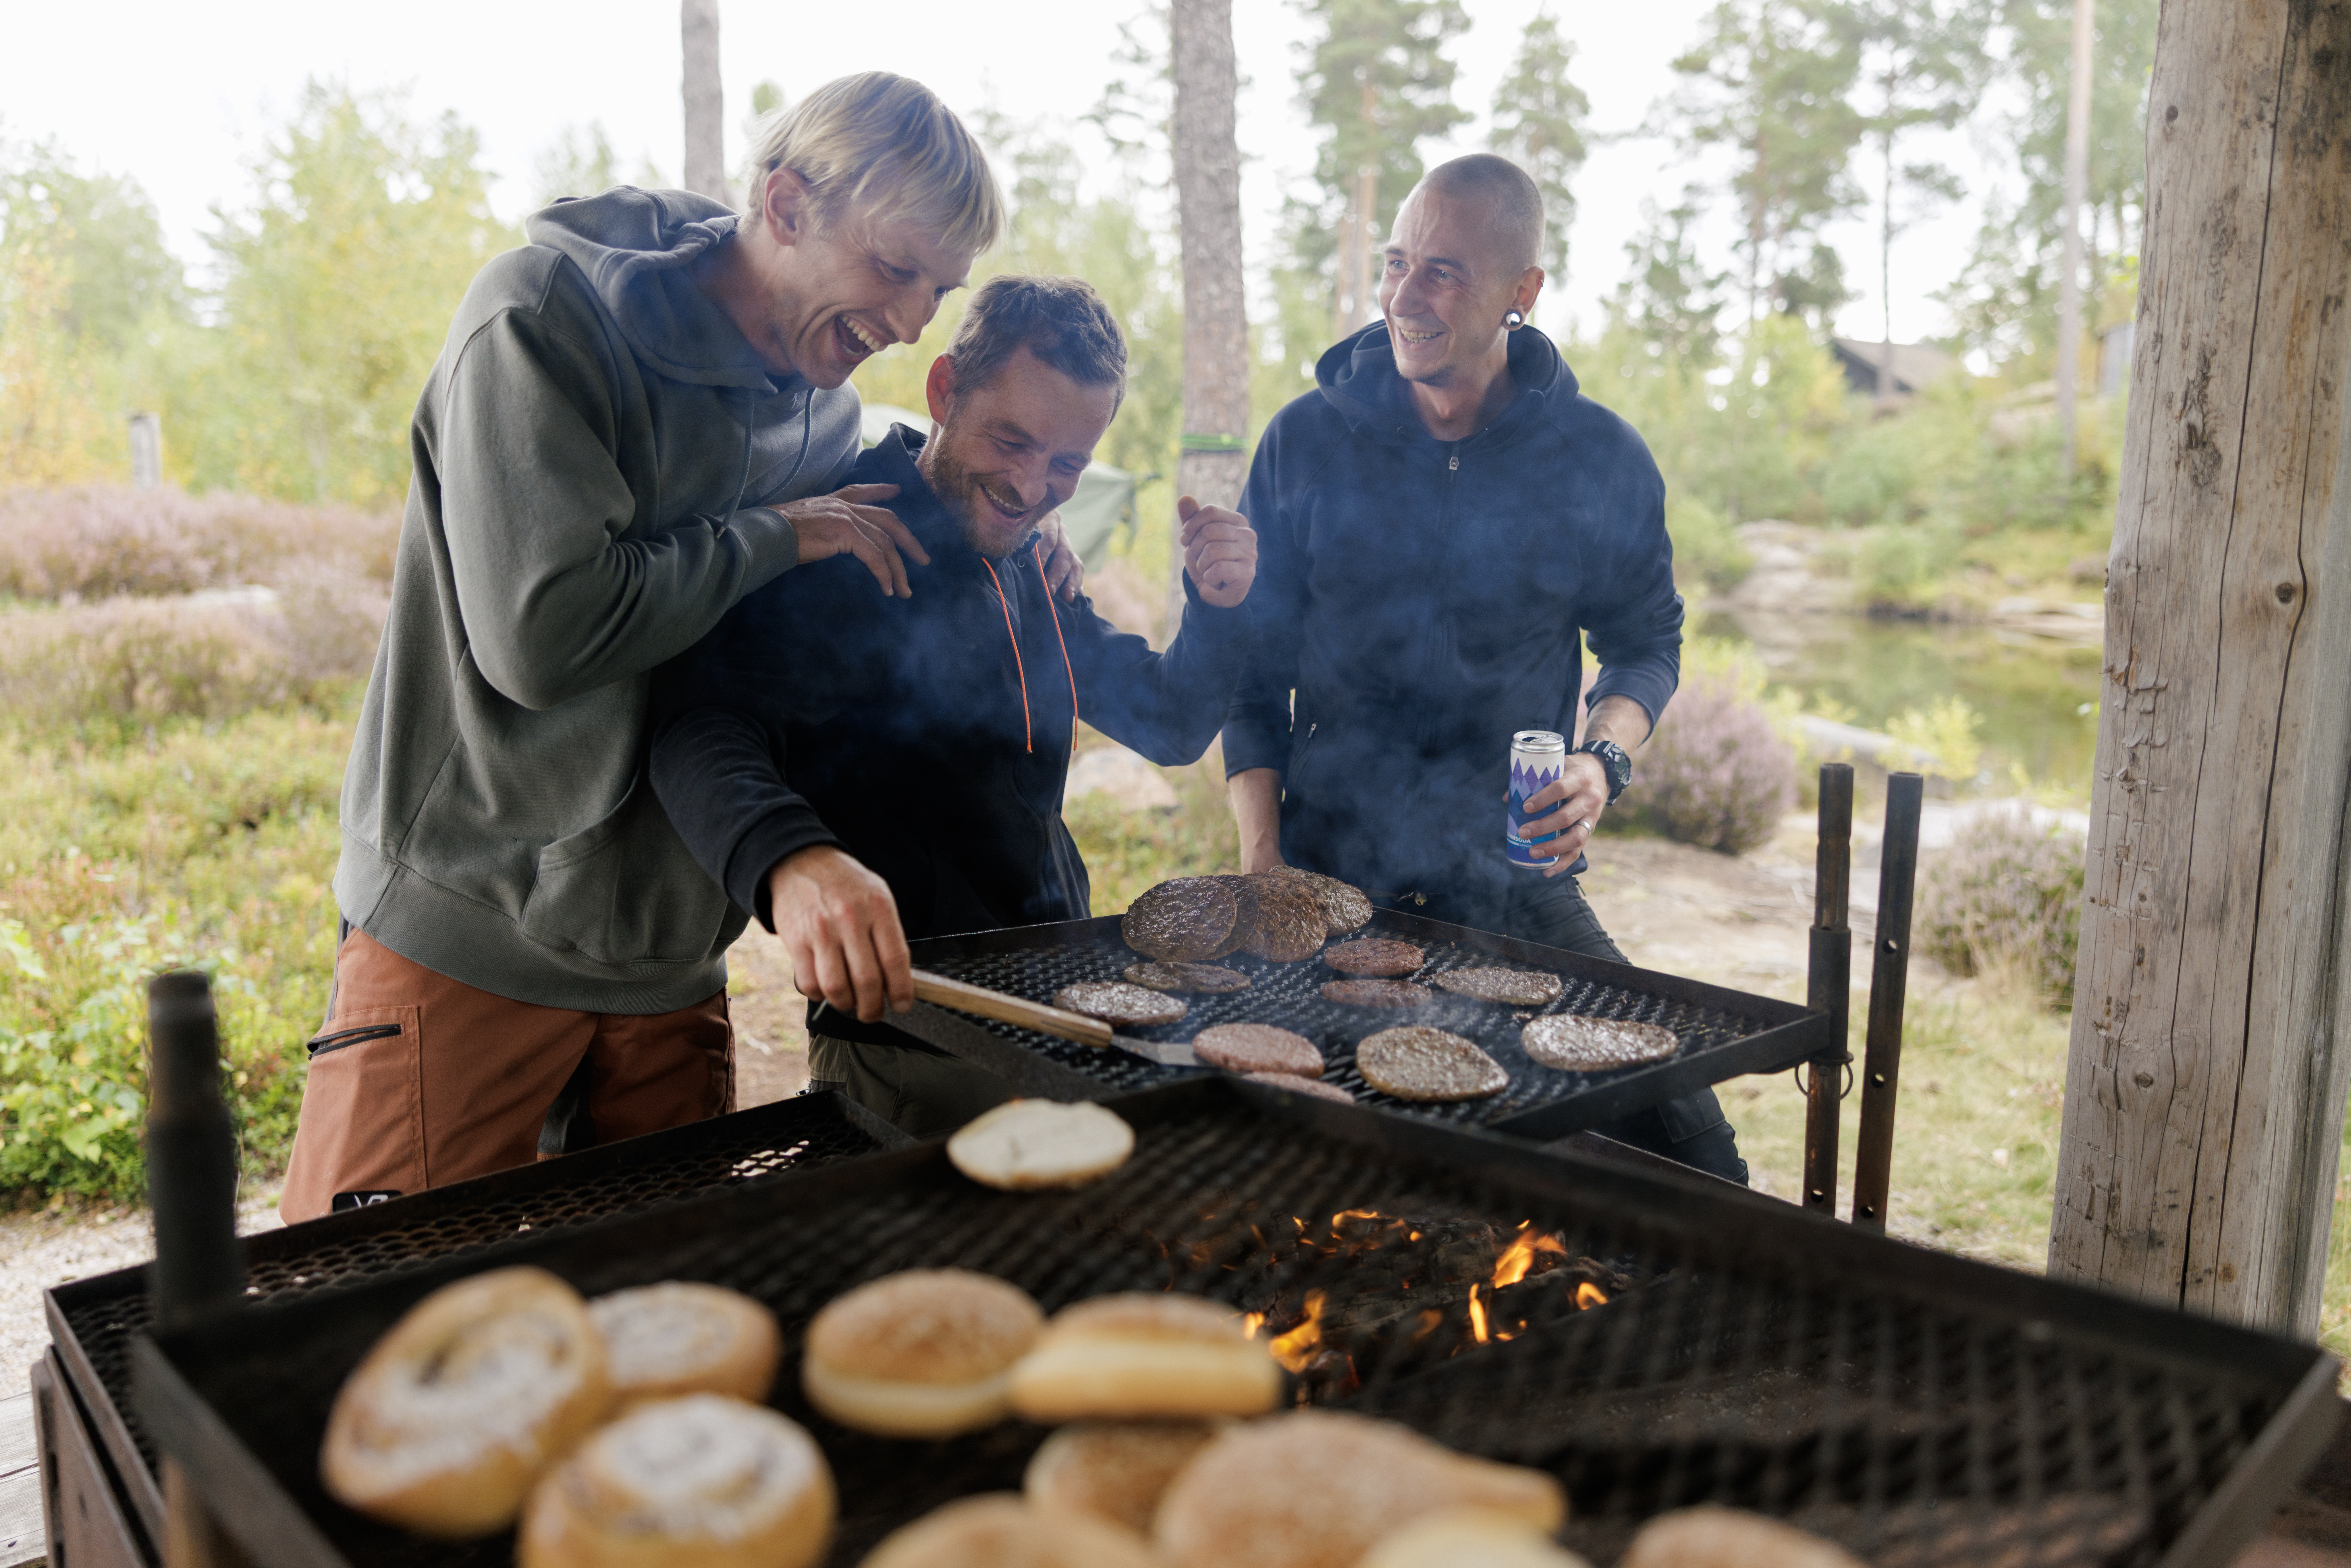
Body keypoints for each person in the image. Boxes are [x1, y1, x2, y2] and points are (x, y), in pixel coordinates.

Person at [281, 74, 1087, 1222]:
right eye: (896, 270)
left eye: (940, 289)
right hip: (474, 936)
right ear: (788, 205)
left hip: (668, 963)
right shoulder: (545, 322)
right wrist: (773, 536)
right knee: (369, 1329)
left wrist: (1021, 531)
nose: (911, 321)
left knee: (661, 1319)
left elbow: (885, 510)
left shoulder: (823, 403)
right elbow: (542, 638)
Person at [1221, 153, 1746, 1183]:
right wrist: (1263, 862)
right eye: (1397, 263)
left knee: (1702, 1167)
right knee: (1311, 1170)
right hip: (1326, 883)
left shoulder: (1597, 457)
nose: (1405, 297)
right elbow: (1251, 676)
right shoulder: (1305, 441)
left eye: (1444, 272)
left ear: (1522, 293)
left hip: (1515, 882)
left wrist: (1604, 758)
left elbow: (1645, 641)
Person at [649, 274, 1258, 1136]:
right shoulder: (846, 533)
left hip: (1053, 1019)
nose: (1030, 484)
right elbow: (701, 726)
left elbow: (1168, 721)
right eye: (1010, 440)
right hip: (910, 1049)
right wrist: (792, 862)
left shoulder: (1030, 561)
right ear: (943, 391)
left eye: (1066, 464)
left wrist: (1221, 608)